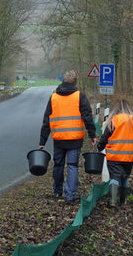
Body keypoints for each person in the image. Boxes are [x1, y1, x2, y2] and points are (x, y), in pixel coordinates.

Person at [39, 70, 96, 203]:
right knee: (72, 166)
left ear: (62, 81)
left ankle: (57, 192)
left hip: (58, 138)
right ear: (75, 82)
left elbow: (46, 121)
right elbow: (87, 117)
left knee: (58, 165)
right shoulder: (80, 96)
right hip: (75, 139)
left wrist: (42, 141)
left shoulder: (54, 97)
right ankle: (69, 195)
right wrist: (92, 134)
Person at [97, 99, 133, 208]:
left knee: (115, 177)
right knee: (125, 177)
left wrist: (100, 147)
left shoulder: (113, 120)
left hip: (114, 155)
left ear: (117, 109)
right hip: (129, 157)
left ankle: (112, 200)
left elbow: (105, 137)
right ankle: (123, 200)